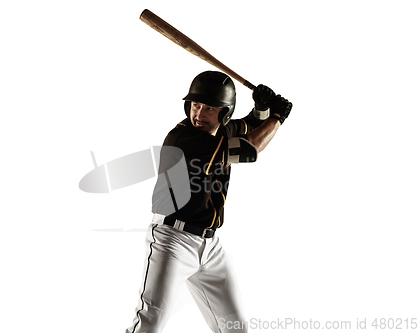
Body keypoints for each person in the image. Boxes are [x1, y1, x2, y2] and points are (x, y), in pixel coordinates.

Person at [125, 71, 292, 333]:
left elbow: (250, 124)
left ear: (224, 113)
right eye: (196, 105)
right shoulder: (184, 139)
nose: (199, 114)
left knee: (235, 328)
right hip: (172, 241)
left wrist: (262, 109)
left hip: (211, 247)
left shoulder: (222, 131)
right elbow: (249, 150)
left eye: (209, 108)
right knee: (150, 324)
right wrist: (278, 117)